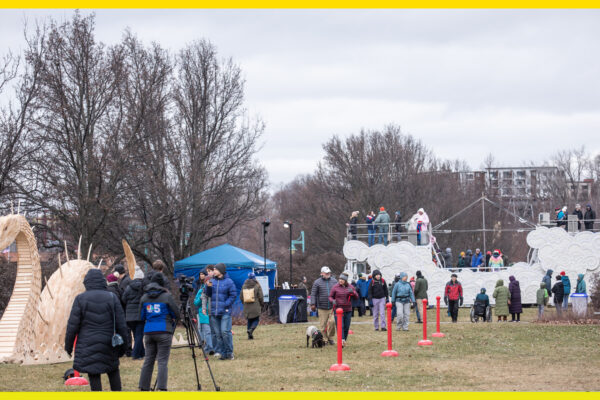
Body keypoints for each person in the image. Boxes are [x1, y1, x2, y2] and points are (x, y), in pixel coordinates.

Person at [65, 269, 128, 392]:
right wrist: (124, 346)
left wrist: (68, 346)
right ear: (102, 282)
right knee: (113, 370)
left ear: (87, 283)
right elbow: (121, 325)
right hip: (109, 343)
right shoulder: (112, 297)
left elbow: (72, 326)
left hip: (87, 343)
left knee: (94, 373)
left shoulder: (80, 299)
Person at [138, 272, 180, 391]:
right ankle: (161, 388)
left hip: (149, 332)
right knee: (162, 361)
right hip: (164, 330)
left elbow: (141, 316)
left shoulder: (144, 297)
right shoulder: (166, 296)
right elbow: (176, 313)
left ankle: (143, 386)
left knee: (148, 360)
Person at [205, 263, 237, 360]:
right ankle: (223, 353)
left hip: (225, 311)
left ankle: (229, 352)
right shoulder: (212, 281)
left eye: (215, 269)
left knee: (225, 332)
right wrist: (208, 287)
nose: (213, 271)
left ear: (221, 271)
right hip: (214, 312)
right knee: (218, 334)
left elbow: (233, 295)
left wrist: (225, 304)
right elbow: (209, 295)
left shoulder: (229, 282)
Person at [121, 265, 146, 360]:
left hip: (129, 316)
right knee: (139, 335)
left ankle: (142, 353)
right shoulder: (143, 288)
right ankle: (135, 354)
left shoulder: (128, 287)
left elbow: (123, 299)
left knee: (136, 335)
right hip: (140, 315)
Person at [328, 272, 358, 347]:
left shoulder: (350, 287)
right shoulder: (335, 287)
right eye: (340, 279)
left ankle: (343, 340)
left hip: (348, 309)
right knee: (340, 326)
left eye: (342, 279)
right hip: (338, 310)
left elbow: (356, 297)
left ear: (346, 280)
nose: (340, 280)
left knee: (346, 327)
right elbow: (330, 297)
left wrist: (353, 292)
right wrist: (333, 301)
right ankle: (341, 340)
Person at [310, 266, 337, 345]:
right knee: (323, 325)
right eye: (326, 273)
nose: (328, 274)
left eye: (329, 273)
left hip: (332, 307)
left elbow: (337, 292)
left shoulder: (334, 281)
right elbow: (313, 294)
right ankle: (324, 339)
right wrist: (313, 304)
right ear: (322, 273)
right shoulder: (317, 282)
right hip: (322, 307)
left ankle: (330, 337)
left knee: (332, 322)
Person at [193, 270, 214, 354]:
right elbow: (196, 303)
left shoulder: (214, 290)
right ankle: (209, 348)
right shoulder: (200, 291)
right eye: (207, 282)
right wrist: (201, 298)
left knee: (212, 332)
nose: (208, 283)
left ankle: (211, 347)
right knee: (207, 332)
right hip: (203, 314)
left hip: (212, 313)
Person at [240, 272, 264, 340]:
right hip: (255, 305)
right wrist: (261, 304)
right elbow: (260, 297)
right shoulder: (257, 285)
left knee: (249, 320)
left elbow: (241, 296)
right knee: (256, 319)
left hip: (246, 306)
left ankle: (249, 336)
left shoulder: (244, 285)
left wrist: (244, 303)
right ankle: (251, 330)